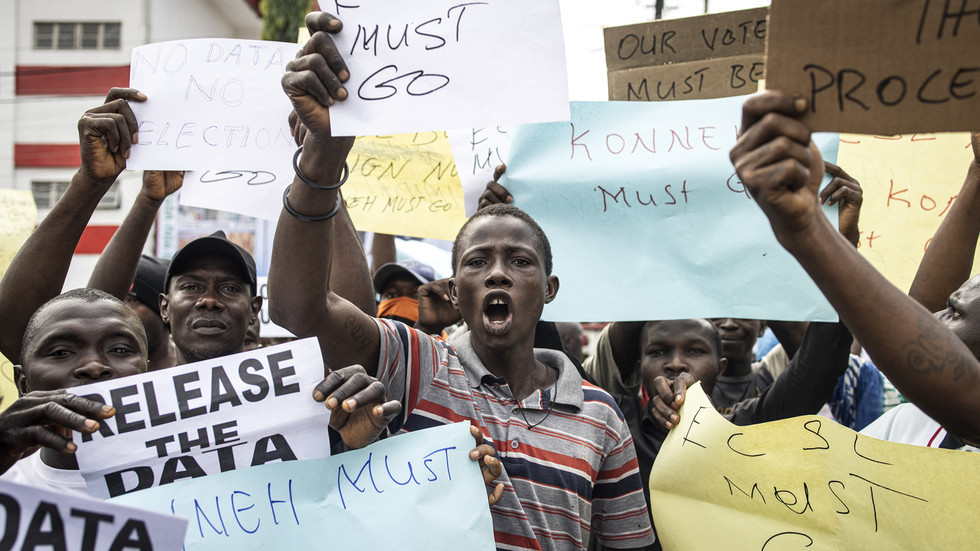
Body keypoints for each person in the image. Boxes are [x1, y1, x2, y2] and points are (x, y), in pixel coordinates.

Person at [269, 12, 654, 549]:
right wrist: (324, 155)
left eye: (520, 261)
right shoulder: (414, 363)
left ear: (550, 289)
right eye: (477, 262)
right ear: (453, 293)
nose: (497, 272)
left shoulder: (600, 417)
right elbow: (298, 309)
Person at [719, 90, 980, 444]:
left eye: (953, 310)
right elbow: (918, 326)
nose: (930, 320)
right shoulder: (909, 424)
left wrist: (808, 229)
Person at [0, 289, 147, 494]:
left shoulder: (196, 479)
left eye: (119, 349)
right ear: (23, 385)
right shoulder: (6, 482)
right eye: (61, 352)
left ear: (149, 372)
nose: (94, 366)